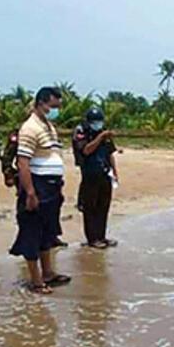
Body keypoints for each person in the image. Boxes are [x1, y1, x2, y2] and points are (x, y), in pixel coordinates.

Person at [9, 87, 71, 294]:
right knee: (32, 232)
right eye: (53, 106)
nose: (56, 110)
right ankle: (36, 281)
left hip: (53, 188)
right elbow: (23, 162)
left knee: (48, 232)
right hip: (38, 186)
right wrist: (30, 192)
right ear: (41, 103)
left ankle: (48, 273)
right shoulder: (29, 128)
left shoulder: (49, 126)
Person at [2, 124, 68, 248]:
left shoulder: (49, 131)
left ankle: (51, 236)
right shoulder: (22, 132)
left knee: (53, 207)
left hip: (48, 176)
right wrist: (8, 175)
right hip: (27, 175)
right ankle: (28, 239)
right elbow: (8, 156)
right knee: (29, 209)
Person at [73, 107, 119, 249]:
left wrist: (115, 171)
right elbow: (86, 150)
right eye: (95, 122)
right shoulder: (81, 131)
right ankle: (92, 238)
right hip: (90, 174)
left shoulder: (103, 132)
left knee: (103, 206)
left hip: (105, 173)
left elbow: (110, 153)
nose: (97, 124)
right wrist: (100, 137)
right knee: (90, 207)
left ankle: (101, 236)